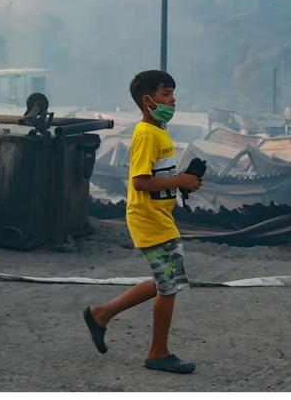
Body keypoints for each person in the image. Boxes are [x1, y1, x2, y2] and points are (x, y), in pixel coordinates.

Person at [83, 70, 202, 374]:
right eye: (166, 94)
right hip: (149, 219)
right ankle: (158, 353)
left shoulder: (159, 132)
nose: (173, 100)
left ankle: (101, 314)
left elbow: (159, 178)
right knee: (169, 286)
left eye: (173, 93)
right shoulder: (147, 134)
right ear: (148, 101)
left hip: (159, 217)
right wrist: (180, 180)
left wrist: (182, 182)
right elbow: (140, 181)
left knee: (165, 279)